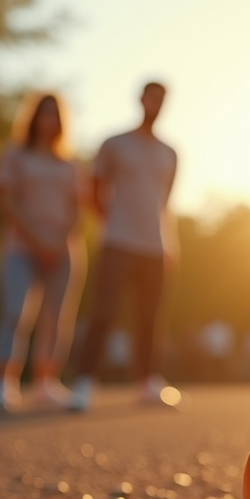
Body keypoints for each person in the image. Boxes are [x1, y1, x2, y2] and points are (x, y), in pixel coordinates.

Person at [70, 81, 180, 411]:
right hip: (118, 241)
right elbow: (94, 190)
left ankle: (147, 382)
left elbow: (165, 203)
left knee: (150, 318)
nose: (155, 104)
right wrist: (111, 223)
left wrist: (171, 246)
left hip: (156, 247)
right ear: (140, 99)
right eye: (151, 97)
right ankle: (84, 383)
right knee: (103, 313)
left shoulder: (170, 153)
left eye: (161, 100)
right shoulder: (115, 144)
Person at [0, 92, 86, 412]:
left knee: (57, 319)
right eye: (44, 113)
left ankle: (46, 383)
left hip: (62, 249)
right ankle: (5, 382)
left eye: (55, 114)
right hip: (22, 246)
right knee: (14, 312)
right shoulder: (16, 155)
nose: (49, 120)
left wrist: (57, 241)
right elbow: (8, 202)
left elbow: (77, 208)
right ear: (34, 118)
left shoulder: (70, 162)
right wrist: (38, 239)